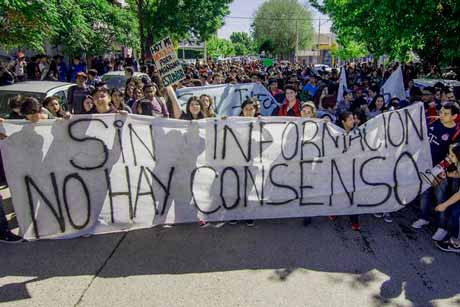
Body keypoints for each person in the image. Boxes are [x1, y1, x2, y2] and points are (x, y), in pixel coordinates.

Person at [412, 102, 460, 241]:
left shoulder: (456, 133)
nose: (441, 115)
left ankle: (442, 227)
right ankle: (423, 217)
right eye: (441, 111)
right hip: (424, 166)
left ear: (454, 116)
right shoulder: (432, 121)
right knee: (424, 194)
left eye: (446, 114)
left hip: (442, 171)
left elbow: (453, 156)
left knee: (440, 197)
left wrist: (441, 170)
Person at [330, 111, 361, 231]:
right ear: (343, 122)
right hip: (338, 168)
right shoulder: (335, 133)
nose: (353, 121)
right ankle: (335, 212)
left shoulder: (357, 132)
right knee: (337, 192)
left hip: (352, 169)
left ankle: (355, 221)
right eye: (350, 119)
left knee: (352, 195)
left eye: (353, 118)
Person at [434, 143, 460, 253]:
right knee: (455, 213)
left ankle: (457, 245)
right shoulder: (458, 162)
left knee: (457, 215)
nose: (450, 157)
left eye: (452, 155)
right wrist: (450, 175)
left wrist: (444, 205)